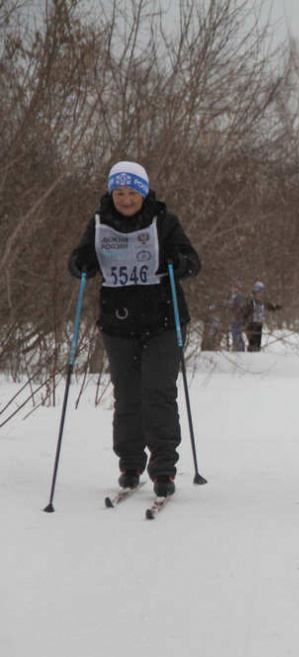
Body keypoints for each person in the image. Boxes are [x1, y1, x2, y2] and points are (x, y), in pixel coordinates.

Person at [66, 160, 201, 498]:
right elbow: (81, 260)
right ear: (111, 194)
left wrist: (178, 263)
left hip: (163, 321)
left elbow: (192, 261)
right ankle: (129, 462)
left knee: (158, 391)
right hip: (119, 321)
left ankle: (164, 467)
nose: (125, 199)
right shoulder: (100, 223)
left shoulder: (164, 222)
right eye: (119, 192)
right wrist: (80, 264)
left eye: (132, 192)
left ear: (143, 193)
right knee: (127, 395)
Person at [246, 281, 280, 351]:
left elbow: (270, 307)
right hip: (251, 324)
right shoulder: (251, 301)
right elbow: (246, 311)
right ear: (256, 291)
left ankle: (257, 352)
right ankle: (251, 354)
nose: (262, 293)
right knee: (252, 342)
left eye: (262, 292)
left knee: (258, 342)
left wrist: (276, 307)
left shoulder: (263, 301)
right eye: (260, 291)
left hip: (259, 323)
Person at [229, 282, 247, 351]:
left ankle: (240, 350)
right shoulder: (234, 296)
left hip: (237, 319)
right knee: (236, 335)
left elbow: (240, 308)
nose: (233, 289)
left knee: (237, 335)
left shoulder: (239, 297)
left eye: (235, 288)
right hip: (234, 319)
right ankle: (238, 349)